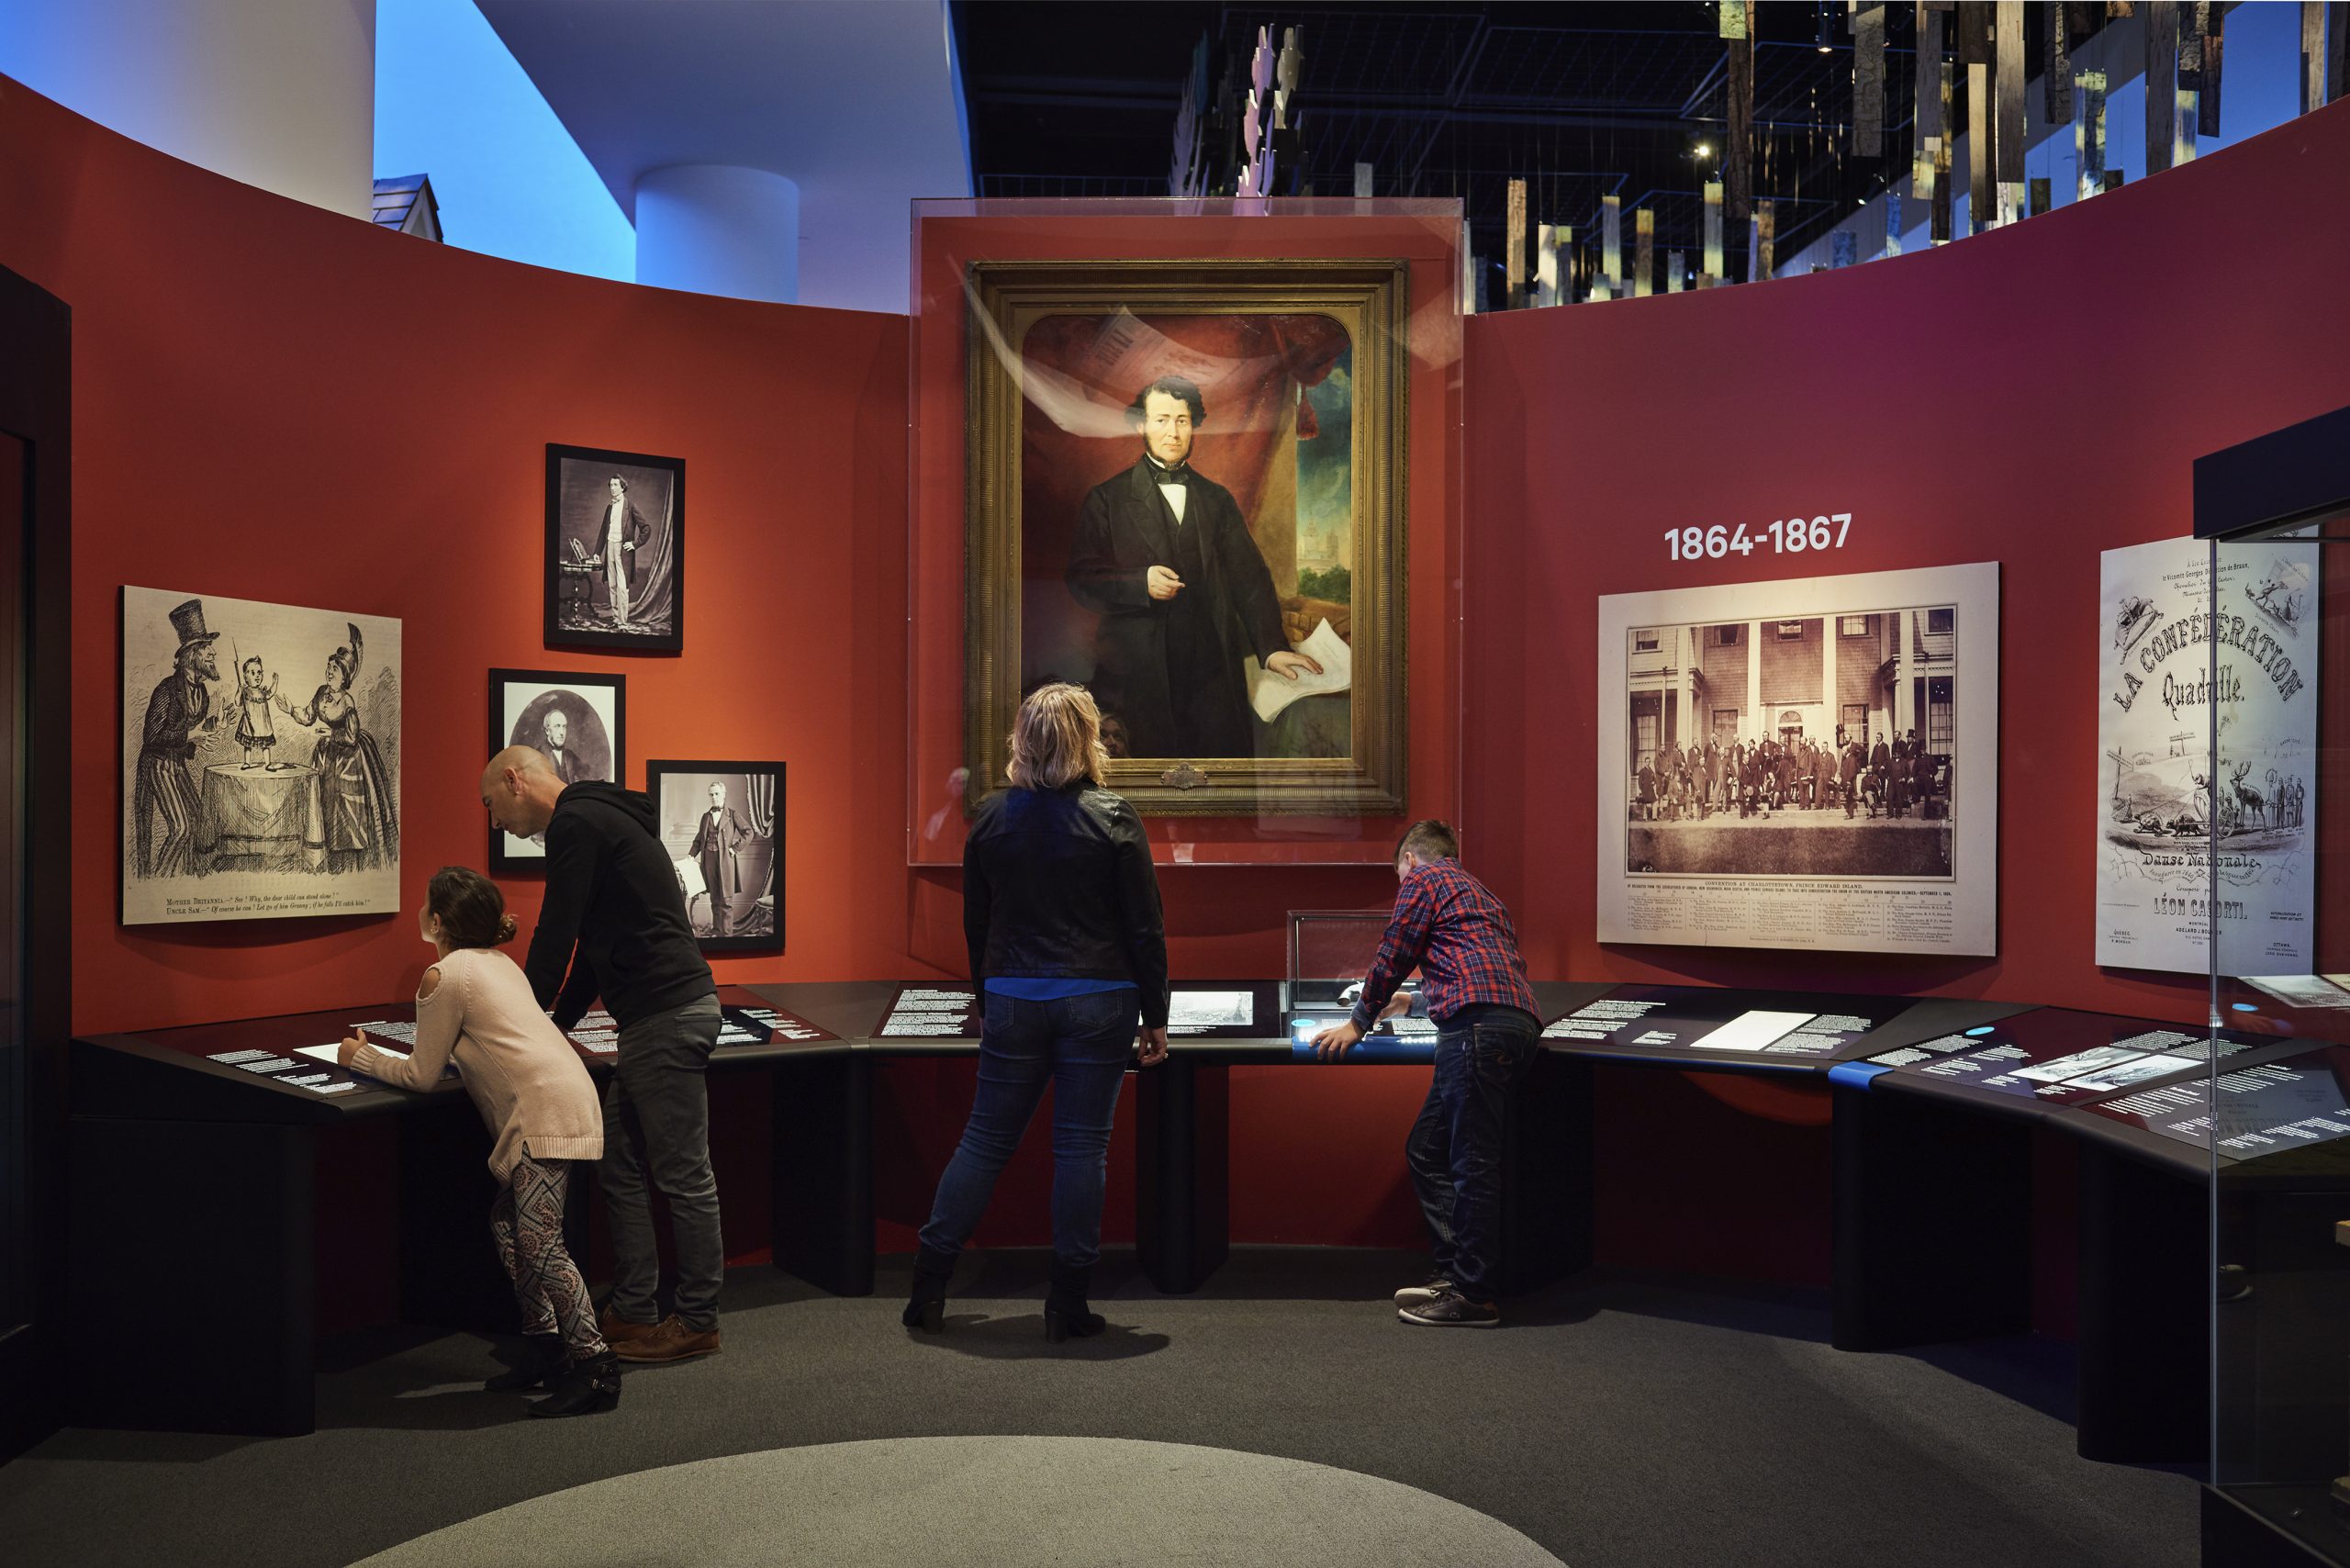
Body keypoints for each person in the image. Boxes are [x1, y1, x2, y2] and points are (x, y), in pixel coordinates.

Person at [902, 682, 1170, 1341]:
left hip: (1013, 995)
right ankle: (1067, 1303)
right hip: (1100, 996)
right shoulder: (1113, 816)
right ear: (1089, 738)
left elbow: (977, 922)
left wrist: (987, 995)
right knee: (1081, 1147)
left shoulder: (992, 818)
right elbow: (1144, 927)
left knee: (984, 1140)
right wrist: (1156, 1014)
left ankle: (928, 1289)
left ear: (1021, 741)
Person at [338, 867, 614, 1417]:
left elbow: (421, 1074)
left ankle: (596, 1367)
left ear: (438, 921)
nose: (421, 913)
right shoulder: (497, 963)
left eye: (425, 905)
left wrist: (360, 1057)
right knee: (509, 1227)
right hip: (562, 1097)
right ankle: (545, 1348)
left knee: (540, 1243)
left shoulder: (445, 974)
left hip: (543, 1112)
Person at [482, 745, 725, 1364]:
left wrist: (519, 1018)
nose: (495, 821)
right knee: (618, 1161)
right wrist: (551, 1025)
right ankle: (637, 1306)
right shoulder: (598, 819)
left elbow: (556, 930)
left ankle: (698, 1319)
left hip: (667, 1015)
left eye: (491, 804)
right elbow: (592, 947)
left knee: (683, 1175)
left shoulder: (576, 822)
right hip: (657, 1017)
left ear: (515, 780)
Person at [1311, 820, 1541, 1328]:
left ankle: (1474, 1296)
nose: (1402, 884)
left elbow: (1395, 949)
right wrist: (1410, 1001)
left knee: (1472, 1163)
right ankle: (1457, 1274)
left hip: (1474, 1031)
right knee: (1427, 1149)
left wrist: (1358, 1021)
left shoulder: (1424, 877)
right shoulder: (1480, 893)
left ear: (1410, 860)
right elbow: (1474, 971)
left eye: (1399, 874)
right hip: (1513, 1025)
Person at [1064, 375, 1322, 758]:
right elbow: (1081, 578)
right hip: (1138, 674)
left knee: (1219, 776)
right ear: (1142, 425)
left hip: (1212, 676)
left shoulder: (1217, 500)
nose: (1173, 432)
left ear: (1194, 425)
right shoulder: (1107, 499)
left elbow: (1250, 579)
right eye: (1161, 420)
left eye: (1182, 420)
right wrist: (1139, 582)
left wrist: (1271, 648)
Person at [277, 624, 397, 872]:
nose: (329, 672)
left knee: (345, 807)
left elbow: (352, 736)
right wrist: (290, 709)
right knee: (324, 801)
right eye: (329, 667)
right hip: (326, 757)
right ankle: (326, 852)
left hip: (347, 760)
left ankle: (347, 858)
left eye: (335, 669)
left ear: (345, 678)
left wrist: (330, 734)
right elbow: (308, 716)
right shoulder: (321, 693)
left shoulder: (347, 701)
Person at [133, 598, 222, 877]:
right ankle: (160, 882)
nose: (213, 653)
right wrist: (192, 735)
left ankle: (186, 880)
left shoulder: (202, 693)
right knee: (181, 828)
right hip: (157, 764)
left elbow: (193, 732)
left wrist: (214, 724)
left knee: (197, 821)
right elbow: (152, 736)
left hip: (176, 764)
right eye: (206, 648)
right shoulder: (167, 689)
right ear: (192, 654)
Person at [688, 778, 752, 937]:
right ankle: (717, 931)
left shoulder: (732, 814)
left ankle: (727, 934)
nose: (714, 797)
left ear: (723, 795)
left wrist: (735, 848)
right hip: (708, 861)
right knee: (715, 898)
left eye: (717, 794)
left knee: (726, 900)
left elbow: (748, 832)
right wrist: (690, 856)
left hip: (726, 861)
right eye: (711, 795)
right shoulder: (705, 817)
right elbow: (698, 840)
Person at [593, 475, 649, 630]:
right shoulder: (609, 507)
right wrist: (597, 551)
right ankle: (616, 620)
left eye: (615, 485)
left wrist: (635, 544)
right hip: (610, 548)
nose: (612, 488)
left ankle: (623, 623)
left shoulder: (630, 506)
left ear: (623, 487)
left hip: (623, 551)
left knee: (622, 588)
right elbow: (603, 531)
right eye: (611, 485)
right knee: (612, 585)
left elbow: (646, 528)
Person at [233, 656, 278, 768]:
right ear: (245, 677)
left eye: (259, 672)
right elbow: (237, 703)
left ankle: (268, 763)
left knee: (265, 745)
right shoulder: (245, 691)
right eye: (253, 673)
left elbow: (271, 693)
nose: (257, 676)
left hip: (263, 724)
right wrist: (239, 692)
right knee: (247, 745)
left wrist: (275, 682)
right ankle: (247, 762)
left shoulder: (262, 691)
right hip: (249, 724)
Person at [536, 709, 592, 785]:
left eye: (564, 727)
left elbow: (586, 778)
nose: (562, 732)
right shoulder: (538, 755)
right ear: (547, 731)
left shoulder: (571, 755)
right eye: (557, 726)